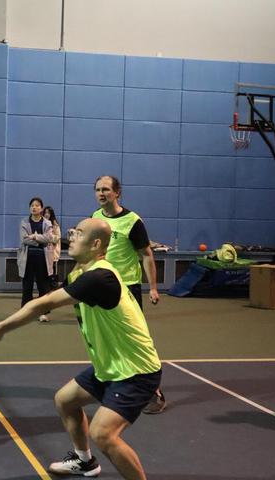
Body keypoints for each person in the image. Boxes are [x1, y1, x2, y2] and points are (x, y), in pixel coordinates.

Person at [0, 218, 162, 480]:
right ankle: (85, 461)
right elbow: (53, 294)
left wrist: (1, 328)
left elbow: (42, 304)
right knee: (65, 400)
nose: (72, 237)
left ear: (96, 244)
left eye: (79, 233)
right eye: (73, 232)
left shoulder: (100, 277)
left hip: (136, 371)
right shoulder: (82, 274)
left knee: (103, 433)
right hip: (110, 365)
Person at [92, 175, 166, 414]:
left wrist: (152, 287)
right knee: (107, 337)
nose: (101, 193)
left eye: (106, 189)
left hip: (127, 289)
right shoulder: (95, 217)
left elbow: (147, 254)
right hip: (103, 286)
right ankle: (116, 382)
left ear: (117, 193)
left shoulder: (132, 221)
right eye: (98, 190)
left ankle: (155, 393)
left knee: (135, 339)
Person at [18, 197, 54, 322]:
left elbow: (49, 238)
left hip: (43, 259)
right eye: (32, 205)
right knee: (27, 286)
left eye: (37, 205)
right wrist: (39, 240)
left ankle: (42, 313)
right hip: (27, 258)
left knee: (43, 286)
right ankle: (25, 312)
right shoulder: (24, 222)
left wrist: (34, 236)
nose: (34, 207)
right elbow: (24, 239)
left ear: (41, 208)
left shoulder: (47, 223)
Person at [43, 206, 62, 289]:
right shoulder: (42, 223)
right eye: (45, 213)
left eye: (48, 213)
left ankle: (53, 289)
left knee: (52, 273)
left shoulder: (55, 225)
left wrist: (49, 237)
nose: (46, 214)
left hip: (52, 253)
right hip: (43, 253)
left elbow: (57, 238)